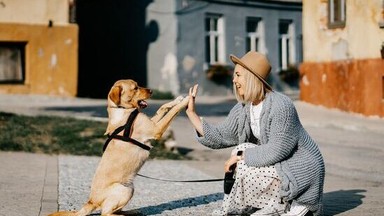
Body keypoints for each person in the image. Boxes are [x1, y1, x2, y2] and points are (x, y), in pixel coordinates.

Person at [185, 51, 325, 216]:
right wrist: (191, 113)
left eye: (238, 75)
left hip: (299, 168)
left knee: (242, 155)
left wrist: (239, 156)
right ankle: (274, 204)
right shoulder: (244, 108)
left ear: (251, 77)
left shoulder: (282, 106)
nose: (234, 80)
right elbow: (221, 136)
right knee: (242, 150)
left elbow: (277, 150)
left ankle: (294, 203)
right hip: (278, 165)